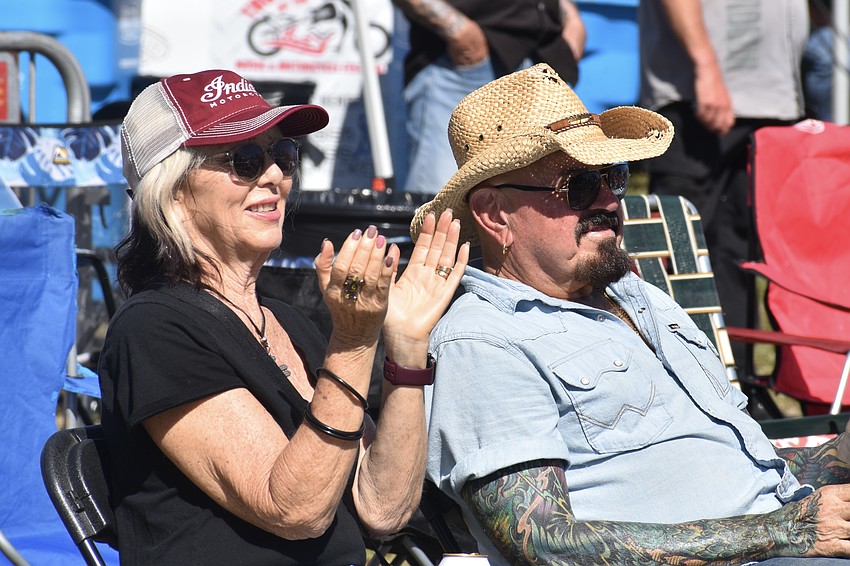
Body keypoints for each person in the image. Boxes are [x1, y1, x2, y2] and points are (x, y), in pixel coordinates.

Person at [410, 63, 850, 564]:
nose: (608, 202)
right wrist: (782, 532)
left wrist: (841, 456)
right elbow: (540, 540)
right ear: (494, 214)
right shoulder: (485, 339)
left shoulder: (639, 299)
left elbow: (747, 475)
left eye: (612, 177)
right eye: (578, 187)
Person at [98, 68, 470, 565]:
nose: (274, 175)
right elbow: (294, 509)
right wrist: (354, 344)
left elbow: (384, 511)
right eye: (246, 160)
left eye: (284, 156)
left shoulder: (287, 322)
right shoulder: (153, 329)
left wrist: (404, 346)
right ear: (174, 193)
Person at [638, 0, 809, 370]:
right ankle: (675, 378)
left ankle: (738, 382)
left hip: (768, 103)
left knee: (740, 254)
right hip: (697, 100)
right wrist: (707, 68)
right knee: (679, 255)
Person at [391, 0, 585, 194]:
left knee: (550, 205)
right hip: (466, 66)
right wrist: (462, 35)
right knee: (443, 207)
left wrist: (572, 20)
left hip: (546, 62)